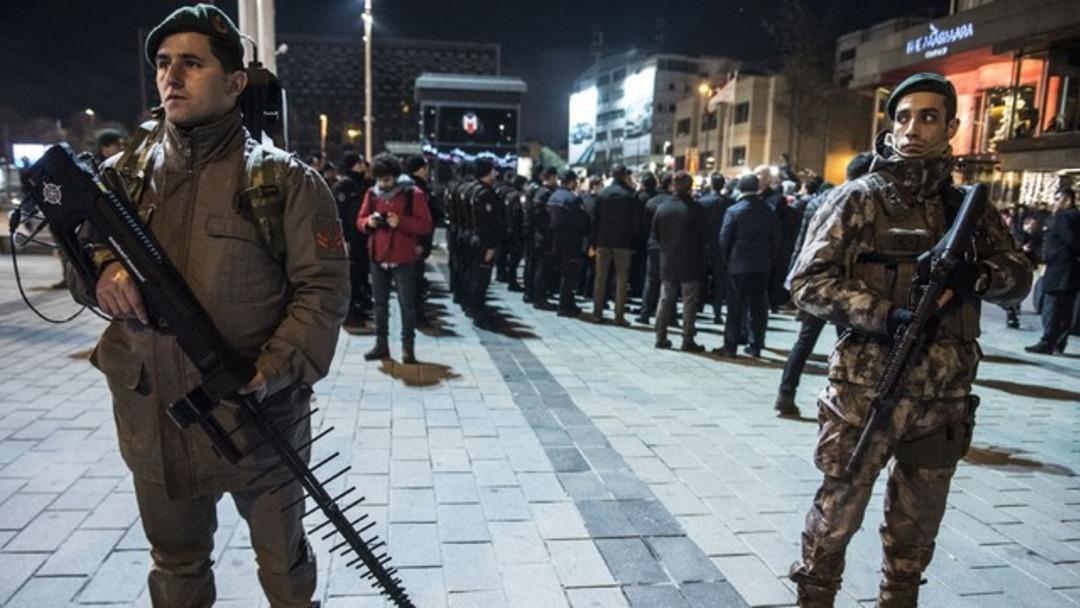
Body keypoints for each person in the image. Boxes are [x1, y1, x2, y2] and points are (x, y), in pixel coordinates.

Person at [76, 5, 351, 606]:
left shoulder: (284, 182)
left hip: (258, 420)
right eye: (163, 63)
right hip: (156, 420)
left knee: (285, 570)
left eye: (192, 64)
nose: (171, 77)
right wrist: (101, 270)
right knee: (176, 566)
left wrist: (271, 369)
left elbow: (323, 290)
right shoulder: (120, 178)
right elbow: (80, 259)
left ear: (234, 83)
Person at [787, 72, 1032, 607]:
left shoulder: (967, 207)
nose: (912, 129)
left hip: (943, 396)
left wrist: (979, 276)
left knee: (916, 529)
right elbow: (806, 282)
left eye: (927, 117)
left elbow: (1019, 278)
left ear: (951, 127)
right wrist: (885, 315)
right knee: (836, 515)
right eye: (902, 118)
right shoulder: (858, 199)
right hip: (866, 391)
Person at [774, 153, 871, 418]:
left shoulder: (818, 200)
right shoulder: (862, 200)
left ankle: (786, 392)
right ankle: (846, 400)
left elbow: (803, 243)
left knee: (805, 340)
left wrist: (795, 277)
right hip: (846, 283)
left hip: (817, 279)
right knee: (848, 343)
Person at [358, 152, 432, 363]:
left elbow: (426, 225)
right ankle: (381, 345)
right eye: (380, 179)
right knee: (379, 304)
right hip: (378, 256)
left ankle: (408, 348)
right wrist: (368, 223)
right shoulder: (372, 194)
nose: (383, 184)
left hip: (403, 256)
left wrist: (401, 222)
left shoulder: (412, 193)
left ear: (396, 176)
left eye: (387, 179)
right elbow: (360, 219)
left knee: (407, 305)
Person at [717, 169, 781, 358]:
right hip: (761, 265)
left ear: (740, 187)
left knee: (735, 308)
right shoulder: (769, 210)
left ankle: (730, 346)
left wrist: (727, 261)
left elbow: (724, 240)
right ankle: (756, 345)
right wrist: (770, 259)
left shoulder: (734, 211)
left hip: (738, 264)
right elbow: (776, 239)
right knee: (758, 308)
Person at [652, 171, 709, 351]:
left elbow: (656, 234)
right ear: (690, 187)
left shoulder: (662, 207)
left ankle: (660, 336)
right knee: (689, 302)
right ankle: (687, 338)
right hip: (691, 260)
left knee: (665, 299)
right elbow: (705, 235)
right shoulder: (697, 209)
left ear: (673, 186)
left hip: (668, 259)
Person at [1026, 187, 1079, 355]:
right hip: (1071, 270)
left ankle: (1047, 342)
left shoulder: (1064, 216)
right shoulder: (1076, 216)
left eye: (1057, 199)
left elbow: (1070, 240)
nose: (1054, 203)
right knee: (1065, 309)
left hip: (1059, 269)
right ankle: (1058, 344)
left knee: (1052, 307)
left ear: (1067, 200)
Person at [588, 164, 640, 325]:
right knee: (621, 280)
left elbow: (595, 220)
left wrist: (593, 242)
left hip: (603, 241)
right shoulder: (630, 195)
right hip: (623, 242)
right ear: (624, 175)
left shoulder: (603, 194)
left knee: (600, 277)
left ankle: (597, 313)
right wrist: (634, 242)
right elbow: (635, 222)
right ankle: (619, 315)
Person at [334, 151, 372, 329]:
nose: (363, 167)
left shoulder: (356, 184)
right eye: (360, 164)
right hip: (349, 239)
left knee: (357, 275)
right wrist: (345, 238)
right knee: (350, 276)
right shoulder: (345, 185)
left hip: (358, 238)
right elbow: (340, 214)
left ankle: (355, 308)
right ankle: (348, 313)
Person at [404, 154, 441, 329]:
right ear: (419, 169)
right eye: (426, 168)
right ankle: (415, 318)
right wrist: (417, 242)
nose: (428, 171)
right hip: (415, 242)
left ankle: (416, 316)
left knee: (415, 282)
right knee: (414, 283)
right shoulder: (413, 189)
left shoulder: (416, 187)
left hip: (418, 241)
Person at [547, 170, 591, 316]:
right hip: (571, 241)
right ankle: (565, 305)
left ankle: (567, 302)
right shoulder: (572, 199)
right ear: (572, 181)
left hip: (555, 239)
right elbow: (583, 220)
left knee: (562, 273)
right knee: (570, 275)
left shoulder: (553, 197)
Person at [466, 158, 504, 326]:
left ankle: (474, 309)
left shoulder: (473, 189)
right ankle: (479, 314)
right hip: (483, 242)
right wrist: (489, 246)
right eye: (493, 170)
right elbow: (486, 223)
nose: (496, 173)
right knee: (481, 279)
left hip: (472, 238)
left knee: (475, 277)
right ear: (487, 172)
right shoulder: (485, 194)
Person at [636, 172, 673, 324]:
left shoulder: (651, 202)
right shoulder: (673, 202)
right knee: (670, 281)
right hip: (670, 245)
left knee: (651, 279)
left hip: (653, 244)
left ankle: (645, 312)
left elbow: (645, 226)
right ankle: (669, 316)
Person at [697, 173, 734, 324]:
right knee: (719, 280)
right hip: (721, 246)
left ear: (711, 184)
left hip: (704, 245)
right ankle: (717, 312)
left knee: (700, 277)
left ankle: (698, 307)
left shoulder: (702, 201)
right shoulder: (730, 203)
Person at [528, 167, 559, 310]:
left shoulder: (538, 191)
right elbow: (547, 216)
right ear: (552, 177)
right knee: (543, 268)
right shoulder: (547, 193)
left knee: (537, 266)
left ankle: (534, 295)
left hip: (537, 234)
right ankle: (540, 299)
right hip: (545, 235)